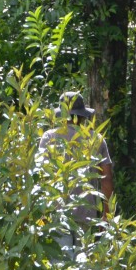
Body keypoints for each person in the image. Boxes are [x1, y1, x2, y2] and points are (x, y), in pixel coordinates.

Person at [38, 92, 114, 256]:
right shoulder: (96, 139)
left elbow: (41, 176)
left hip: (57, 212)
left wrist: (42, 212)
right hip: (86, 213)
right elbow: (106, 179)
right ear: (83, 116)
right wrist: (106, 214)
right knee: (83, 266)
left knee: (60, 268)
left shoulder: (49, 137)